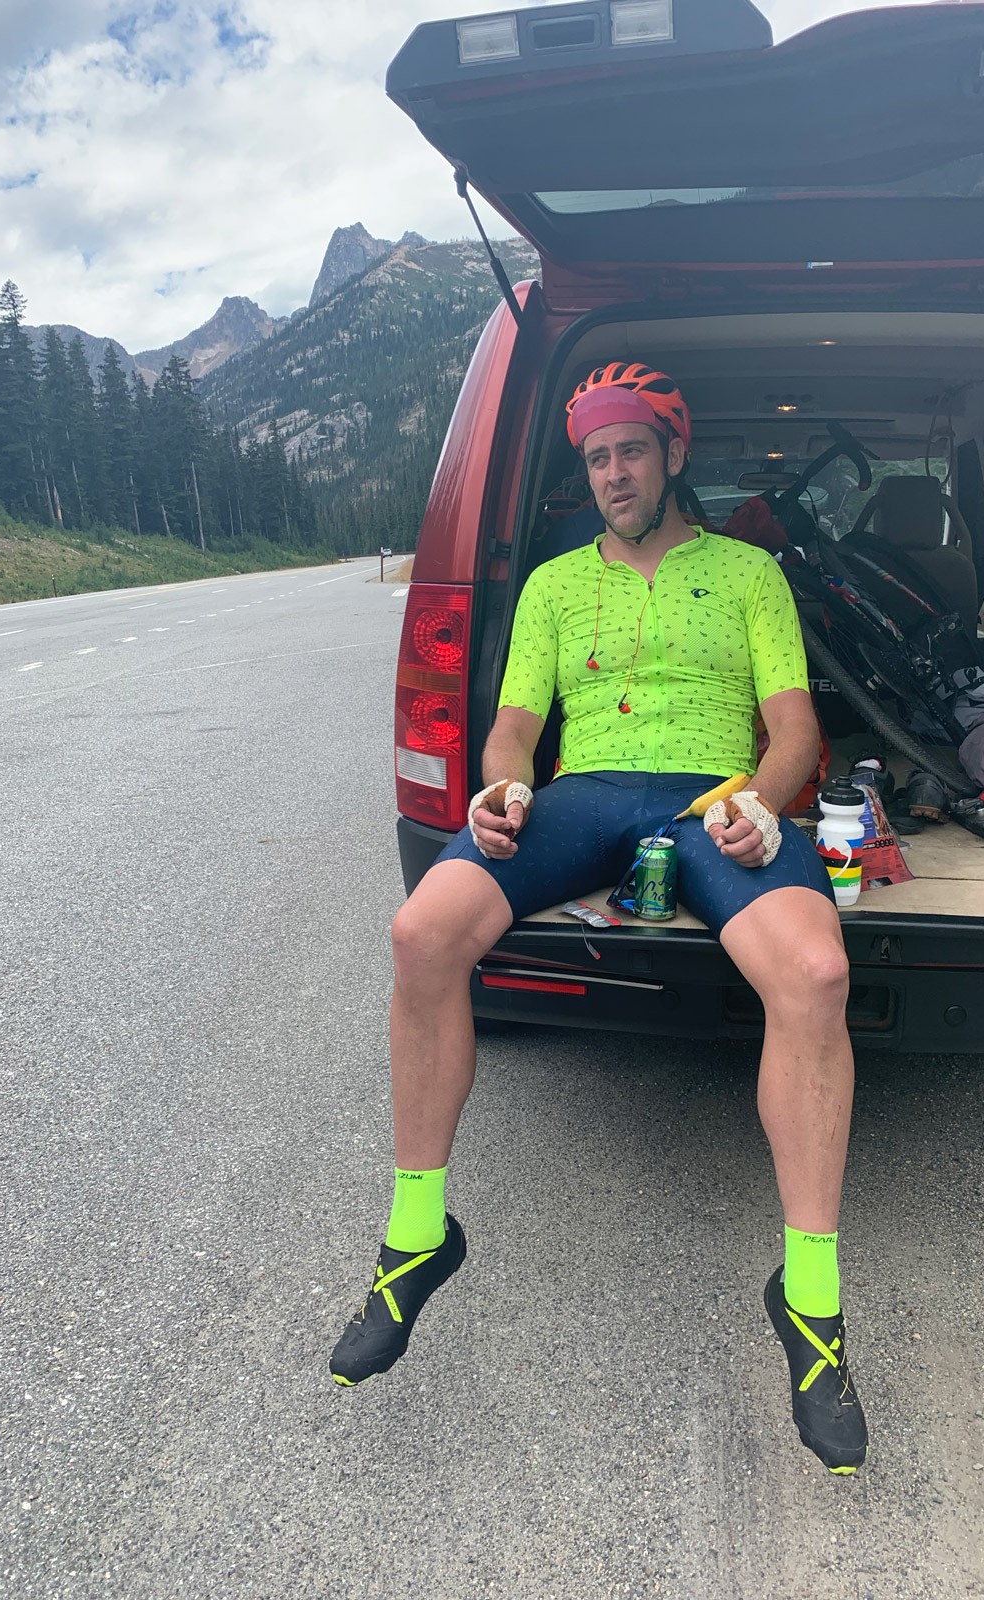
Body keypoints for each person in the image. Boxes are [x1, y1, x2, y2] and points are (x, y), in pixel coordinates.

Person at [330, 363, 867, 1475]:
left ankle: (809, 1300)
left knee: (814, 976)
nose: (613, 473)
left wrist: (764, 808)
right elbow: (515, 726)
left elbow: (796, 732)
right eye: (596, 458)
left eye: (630, 450)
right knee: (420, 933)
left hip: (715, 791)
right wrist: (505, 785)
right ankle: (418, 1236)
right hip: (582, 795)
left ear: (672, 453)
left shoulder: (751, 572)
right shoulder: (553, 586)